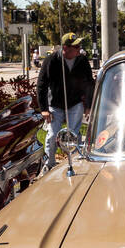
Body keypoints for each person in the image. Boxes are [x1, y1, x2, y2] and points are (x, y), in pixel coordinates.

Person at [37, 33, 95, 171]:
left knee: (73, 134)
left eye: (79, 46)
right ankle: (49, 163)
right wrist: (44, 109)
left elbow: (89, 83)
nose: (79, 49)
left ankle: (75, 160)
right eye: (76, 46)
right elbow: (41, 84)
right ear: (66, 48)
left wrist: (88, 105)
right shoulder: (51, 60)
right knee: (52, 135)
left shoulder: (82, 60)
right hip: (55, 105)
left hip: (75, 104)